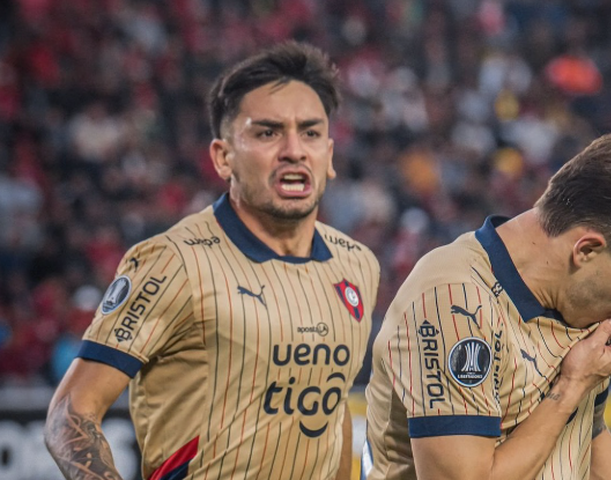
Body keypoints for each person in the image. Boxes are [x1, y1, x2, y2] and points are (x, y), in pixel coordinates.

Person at [44, 41, 380, 480]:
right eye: (268, 132)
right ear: (223, 157)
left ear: (330, 157)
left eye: (311, 133)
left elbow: (331, 415)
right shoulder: (172, 262)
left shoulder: (357, 265)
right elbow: (70, 412)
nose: (294, 150)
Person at [362, 133, 611, 480]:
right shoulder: (455, 300)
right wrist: (571, 387)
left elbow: (587, 437)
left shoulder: (577, 302)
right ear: (586, 250)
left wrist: (579, 390)